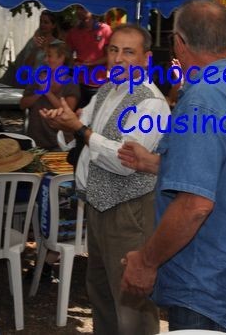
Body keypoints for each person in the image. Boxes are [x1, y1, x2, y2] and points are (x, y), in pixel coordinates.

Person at [119, 0, 226, 334]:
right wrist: (158, 164)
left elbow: (195, 205)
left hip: (205, 284)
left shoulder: (202, 98)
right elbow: (225, 173)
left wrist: (146, 261)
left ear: (180, 43)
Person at [41, 24, 170, 334]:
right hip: (98, 206)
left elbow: (126, 161)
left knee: (131, 301)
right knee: (101, 293)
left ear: (146, 59)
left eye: (128, 52)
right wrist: (64, 125)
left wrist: (79, 130)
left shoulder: (151, 102)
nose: (118, 58)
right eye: (113, 50)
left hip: (129, 212)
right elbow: (78, 135)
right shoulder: (106, 91)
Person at [20, 41, 80, 150]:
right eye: (45, 56)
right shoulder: (38, 78)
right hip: (35, 141)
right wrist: (38, 93)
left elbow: (68, 112)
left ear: (61, 58)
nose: (45, 60)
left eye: (49, 56)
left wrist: (47, 92)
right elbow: (22, 105)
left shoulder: (71, 83)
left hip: (58, 144)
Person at [65, 6, 112, 107]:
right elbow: (67, 54)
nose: (79, 11)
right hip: (78, 82)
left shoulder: (105, 30)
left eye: (83, 8)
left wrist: (91, 64)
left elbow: (110, 56)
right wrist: (74, 63)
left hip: (99, 83)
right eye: (78, 8)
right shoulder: (73, 32)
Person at [0, 10, 61, 87]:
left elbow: (58, 68)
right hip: (32, 83)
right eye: (41, 21)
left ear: (53, 25)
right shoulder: (33, 41)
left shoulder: (59, 45)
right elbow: (26, 66)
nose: (42, 24)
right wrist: (35, 49)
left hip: (49, 85)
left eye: (46, 22)